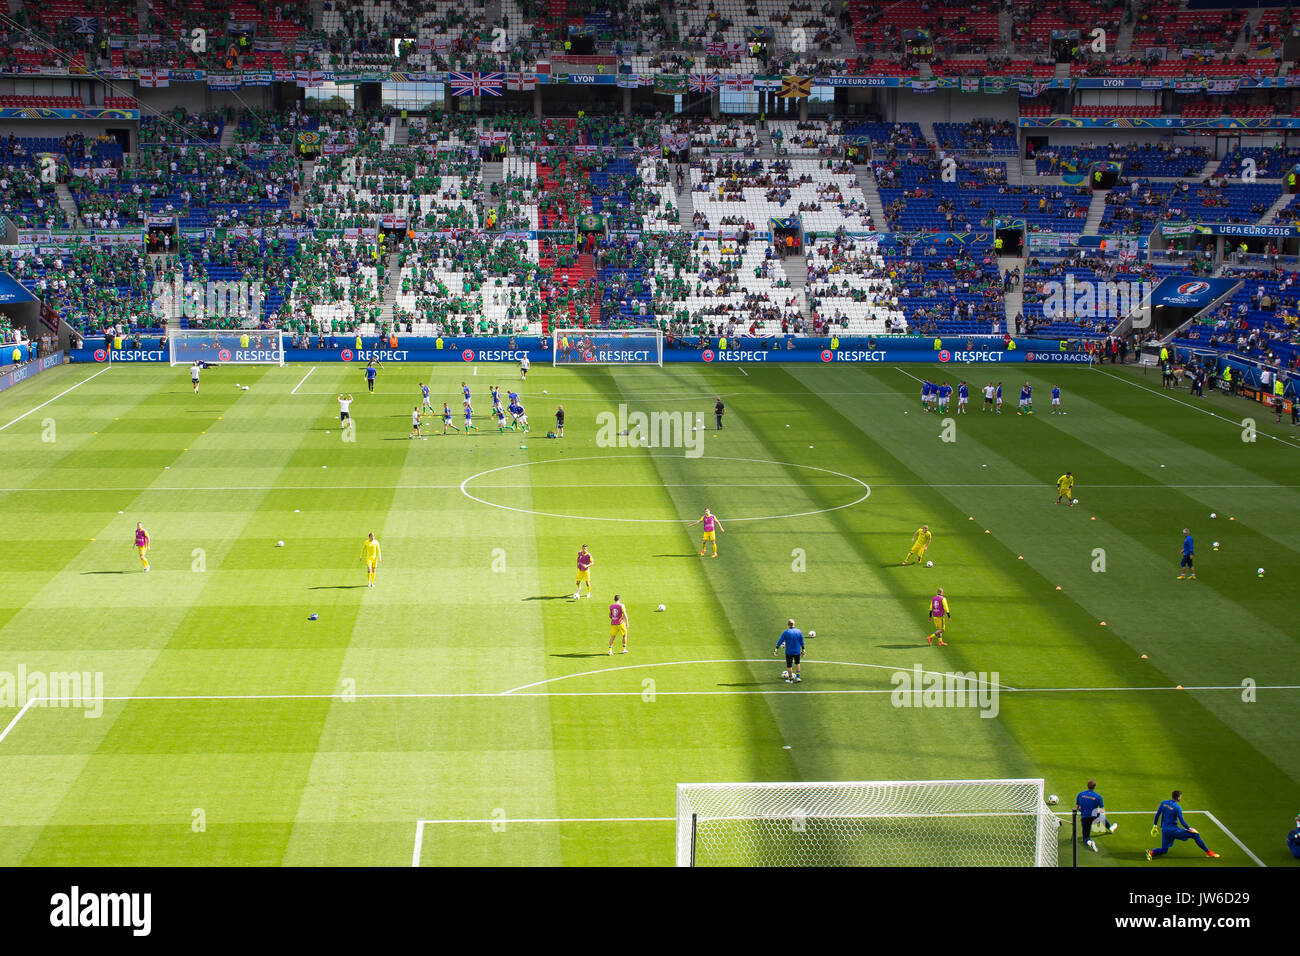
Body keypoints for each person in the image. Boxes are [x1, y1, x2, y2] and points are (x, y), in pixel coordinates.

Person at [1147, 790, 1218, 860]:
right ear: (1178, 798)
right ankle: (1208, 852)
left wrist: (1155, 826)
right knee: (1195, 835)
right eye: (1180, 796)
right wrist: (1189, 828)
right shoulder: (1177, 808)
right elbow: (1182, 822)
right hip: (1173, 831)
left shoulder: (1163, 803)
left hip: (1165, 830)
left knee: (1164, 850)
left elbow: (1157, 814)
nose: (1181, 798)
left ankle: (1150, 853)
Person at [1076, 779, 1119, 852]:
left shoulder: (1080, 794)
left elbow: (1077, 808)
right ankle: (1110, 827)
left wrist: (1083, 810)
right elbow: (1102, 810)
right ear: (1094, 787)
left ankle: (1090, 842)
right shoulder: (1098, 796)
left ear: (1087, 786)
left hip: (1085, 819)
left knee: (1086, 838)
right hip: (1094, 818)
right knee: (1101, 816)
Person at [774, 618, 805, 683]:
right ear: (794, 624)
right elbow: (802, 641)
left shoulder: (786, 632)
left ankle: (790, 679)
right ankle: (798, 677)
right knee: (797, 663)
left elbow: (780, 641)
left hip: (789, 652)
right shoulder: (799, 631)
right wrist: (803, 649)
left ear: (788, 625)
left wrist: (776, 648)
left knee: (789, 665)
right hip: (797, 651)